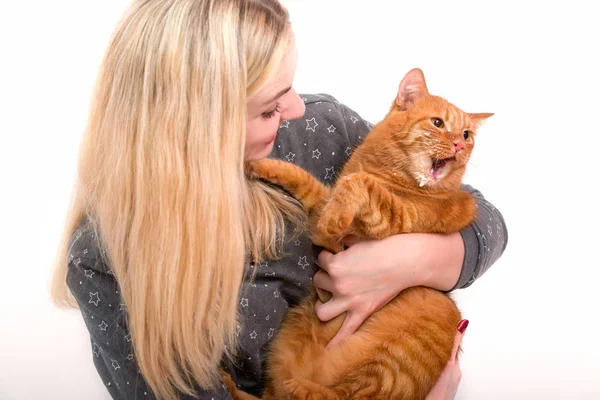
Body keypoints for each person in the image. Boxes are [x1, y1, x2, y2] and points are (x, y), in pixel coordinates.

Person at [50, 1, 508, 399]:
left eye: (290, 85)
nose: (297, 108)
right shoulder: (102, 261)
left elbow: (485, 221)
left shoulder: (320, 132)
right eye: (271, 105)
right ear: (199, 124)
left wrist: (416, 259)